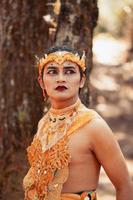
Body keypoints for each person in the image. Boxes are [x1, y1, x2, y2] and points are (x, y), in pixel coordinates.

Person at [23, 46, 133, 200]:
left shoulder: (94, 126)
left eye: (69, 71)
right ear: (41, 82)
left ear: (82, 81)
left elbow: (125, 186)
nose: (61, 78)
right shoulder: (44, 123)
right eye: (52, 71)